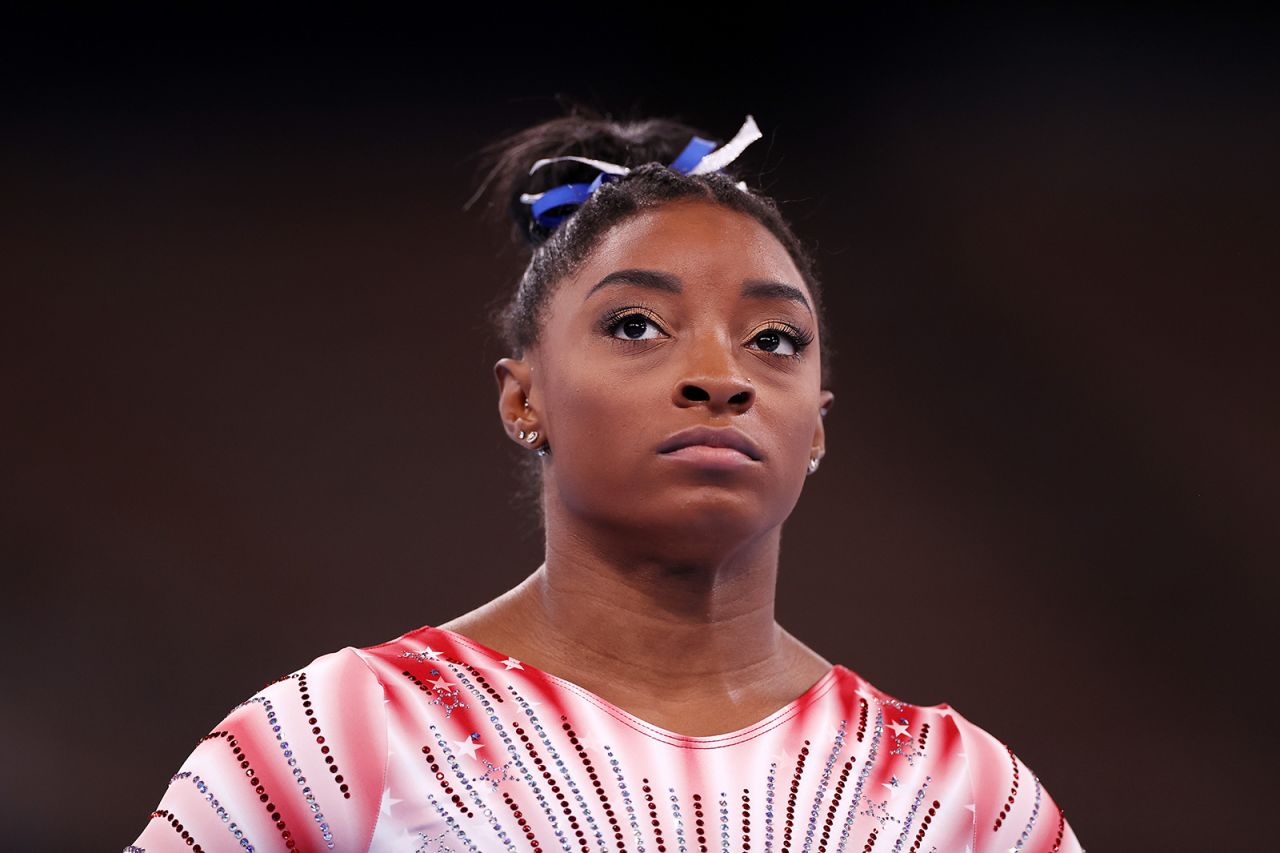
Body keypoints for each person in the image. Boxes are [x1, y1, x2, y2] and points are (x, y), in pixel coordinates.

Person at [125, 108, 1084, 853]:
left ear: (819, 424)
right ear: (523, 398)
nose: (722, 375)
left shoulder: (960, 794)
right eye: (636, 325)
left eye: (774, 340)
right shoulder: (350, 732)